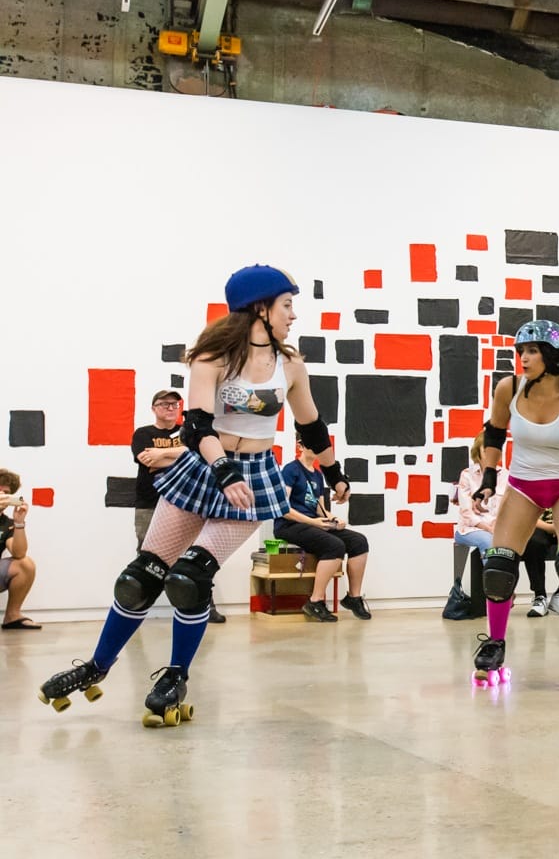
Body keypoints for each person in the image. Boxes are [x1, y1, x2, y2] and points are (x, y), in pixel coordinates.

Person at [38, 264, 350, 726]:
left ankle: (176, 674)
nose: (292, 315)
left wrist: (334, 473)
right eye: (286, 305)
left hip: (253, 477)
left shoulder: (291, 365)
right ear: (260, 308)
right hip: (206, 467)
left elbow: (311, 426)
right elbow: (197, 424)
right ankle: (96, 666)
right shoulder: (212, 358)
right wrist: (222, 469)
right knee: (141, 577)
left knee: (189, 579)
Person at [470, 319, 559, 689]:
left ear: (552, 356)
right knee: (498, 567)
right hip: (523, 486)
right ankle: (496, 643)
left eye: (532, 351)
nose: (523, 358)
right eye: (521, 351)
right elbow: (494, 432)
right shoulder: (508, 389)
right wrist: (488, 478)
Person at [130, 392, 225, 624]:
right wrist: (186, 456)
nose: (170, 408)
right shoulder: (143, 434)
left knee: (194, 557)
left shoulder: (189, 432)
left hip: (186, 502)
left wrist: (162, 453)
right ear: (154, 408)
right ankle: (135, 605)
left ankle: (204, 605)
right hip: (149, 503)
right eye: (164, 404)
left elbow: (201, 455)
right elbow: (147, 461)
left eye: (174, 404)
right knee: (148, 556)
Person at [274, 437, 372, 621]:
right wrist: (315, 523)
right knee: (334, 546)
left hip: (312, 523)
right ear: (299, 445)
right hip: (289, 525)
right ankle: (315, 601)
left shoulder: (318, 474)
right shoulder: (291, 470)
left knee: (359, 541)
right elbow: (283, 509)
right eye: (310, 443)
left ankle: (354, 597)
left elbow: (319, 508)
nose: (315, 447)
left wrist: (332, 518)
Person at [0, 469, 39, 630]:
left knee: (25, 564)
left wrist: (19, 523)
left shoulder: (6, 523)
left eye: (5, 492)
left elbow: (19, 553)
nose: (1, 494)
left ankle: (12, 616)